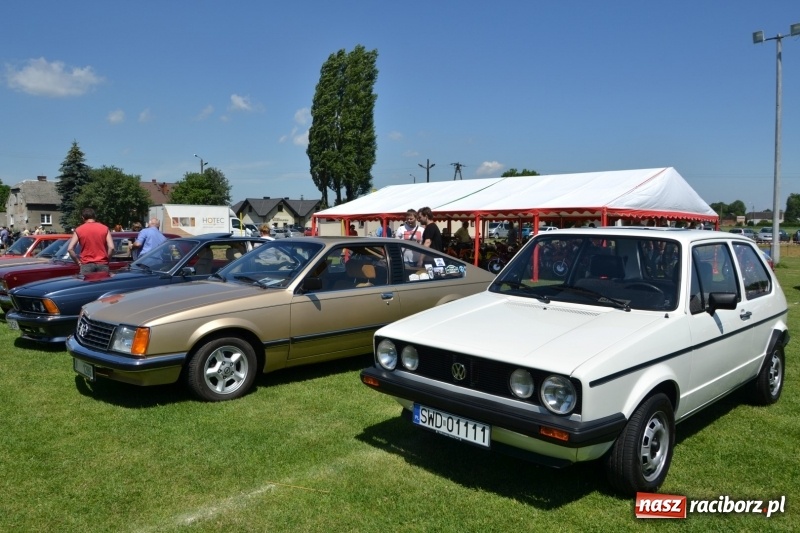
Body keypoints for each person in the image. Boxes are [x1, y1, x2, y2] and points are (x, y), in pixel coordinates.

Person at [67, 207, 115, 274]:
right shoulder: (105, 228)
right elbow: (111, 247)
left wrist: (78, 262)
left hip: (86, 265)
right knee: (102, 284)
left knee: (87, 284)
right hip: (102, 264)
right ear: (94, 216)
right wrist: (107, 260)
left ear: (83, 217)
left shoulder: (79, 230)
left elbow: (70, 249)